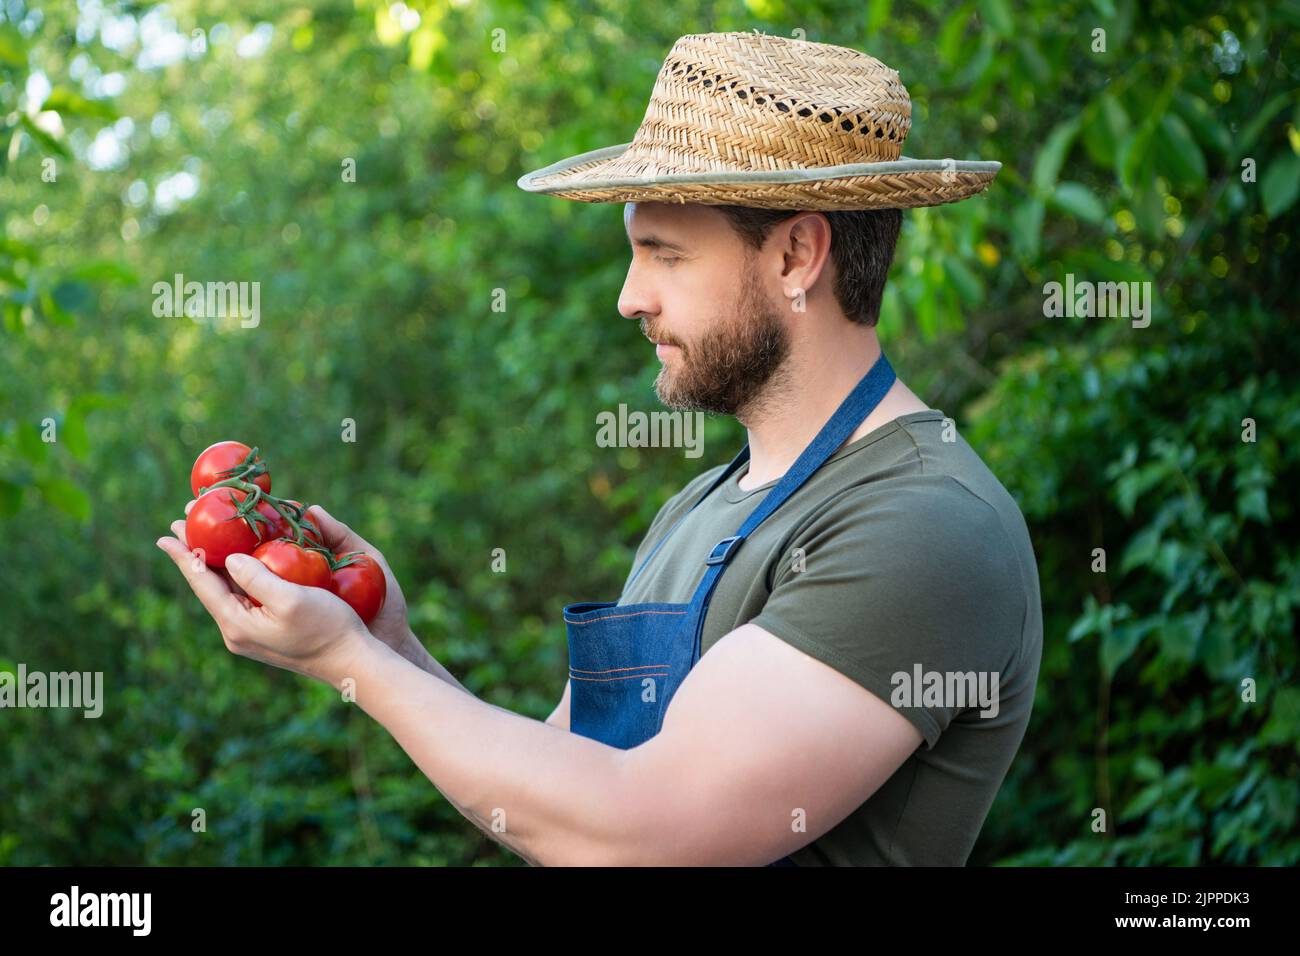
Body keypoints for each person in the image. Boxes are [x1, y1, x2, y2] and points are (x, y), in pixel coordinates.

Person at [158, 31, 1042, 866]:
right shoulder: (696, 510)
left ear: (796, 255)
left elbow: (646, 834)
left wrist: (348, 663)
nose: (629, 298)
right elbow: (562, 799)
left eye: (664, 256)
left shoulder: (923, 524)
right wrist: (386, 650)